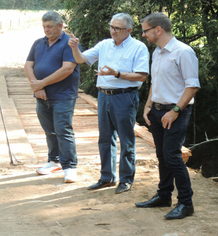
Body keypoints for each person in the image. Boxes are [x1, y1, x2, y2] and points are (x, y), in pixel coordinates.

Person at [68, 13, 149, 194]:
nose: (113, 31)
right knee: (105, 138)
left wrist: (117, 74)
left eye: (118, 28)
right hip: (104, 95)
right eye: (112, 27)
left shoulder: (138, 47)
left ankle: (126, 179)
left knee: (126, 139)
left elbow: (142, 76)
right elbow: (81, 59)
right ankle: (107, 177)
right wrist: (74, 47)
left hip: (125, 96)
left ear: (129, 30)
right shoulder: (104, 45)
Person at [135, 12, 200, 220]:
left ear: (158, 29)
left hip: (176, 111)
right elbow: (155, 81)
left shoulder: (183, 52)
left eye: (145, 31)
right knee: (162, 156)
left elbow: (192, 86)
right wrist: (148, 105)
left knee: (172, 156)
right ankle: (164, 196)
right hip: (157, 110)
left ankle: (186, 203)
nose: (144, 35)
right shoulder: (157, 52)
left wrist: (175, 111)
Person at [24, 11, 80, 183]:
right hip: (42, 95)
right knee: (49, 130)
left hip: (63, 95)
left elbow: (67, 69)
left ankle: (70, 167)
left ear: (60, 26)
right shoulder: (38, 43)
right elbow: (28, 65)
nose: (46, 30)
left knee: (63, 130)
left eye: (49, 27)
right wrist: (36, 84)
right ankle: (54, 161)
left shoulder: (69, 43)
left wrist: (42, 83)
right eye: (44, 27)